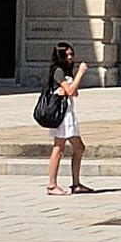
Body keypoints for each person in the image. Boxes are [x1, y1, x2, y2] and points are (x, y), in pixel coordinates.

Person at [44, 44, 95, 196]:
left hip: (68, 112)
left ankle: (76, 183)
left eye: (71, 54)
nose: (70, 58)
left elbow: (73, 93)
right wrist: (80, 74)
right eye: (66, 55)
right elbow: (71, 91)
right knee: (58, 148)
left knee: (79, 147)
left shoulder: (65, 70)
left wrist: (72, 86)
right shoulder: (58, 71)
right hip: (62, 115)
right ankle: (52, 185)